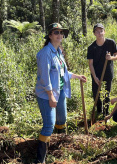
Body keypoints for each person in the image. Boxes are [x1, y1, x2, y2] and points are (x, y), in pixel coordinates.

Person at [35, 22, 86, 163]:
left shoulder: (58, 52)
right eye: (56, 32)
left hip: (60, 91)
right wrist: (51, 96)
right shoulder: (46, 53)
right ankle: (40, 159)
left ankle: (59, 146)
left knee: (62, 119)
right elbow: (45, 78)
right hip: (47, 94)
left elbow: (62, 73)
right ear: (50, 35)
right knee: (49, 124)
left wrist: (77, 76)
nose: (59, 35)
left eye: (61, 32)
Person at [87, 23, 117, 117]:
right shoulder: (91, 47)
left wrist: (111, 58)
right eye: (97, 31)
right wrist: (94, 77)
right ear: (94, 33)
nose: (99, 33)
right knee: (96, 94)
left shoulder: (111, 43)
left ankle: (106, 112)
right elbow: (91, 64)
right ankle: (99, 110)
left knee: (107, 94)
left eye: (101, 31)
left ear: (104, 32)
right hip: (96, 73)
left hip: (107, 72)